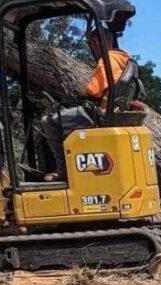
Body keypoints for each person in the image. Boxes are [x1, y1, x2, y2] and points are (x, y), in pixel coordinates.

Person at [38, 27, 131, 180]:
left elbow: (94, 90)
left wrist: (84, 93)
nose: (92, 47)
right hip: (107, 110)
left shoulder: (108, 60)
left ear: (97, 42)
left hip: (95, 113)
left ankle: (63, 171)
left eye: (92, 44)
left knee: (48, 121)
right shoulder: (123, 59)